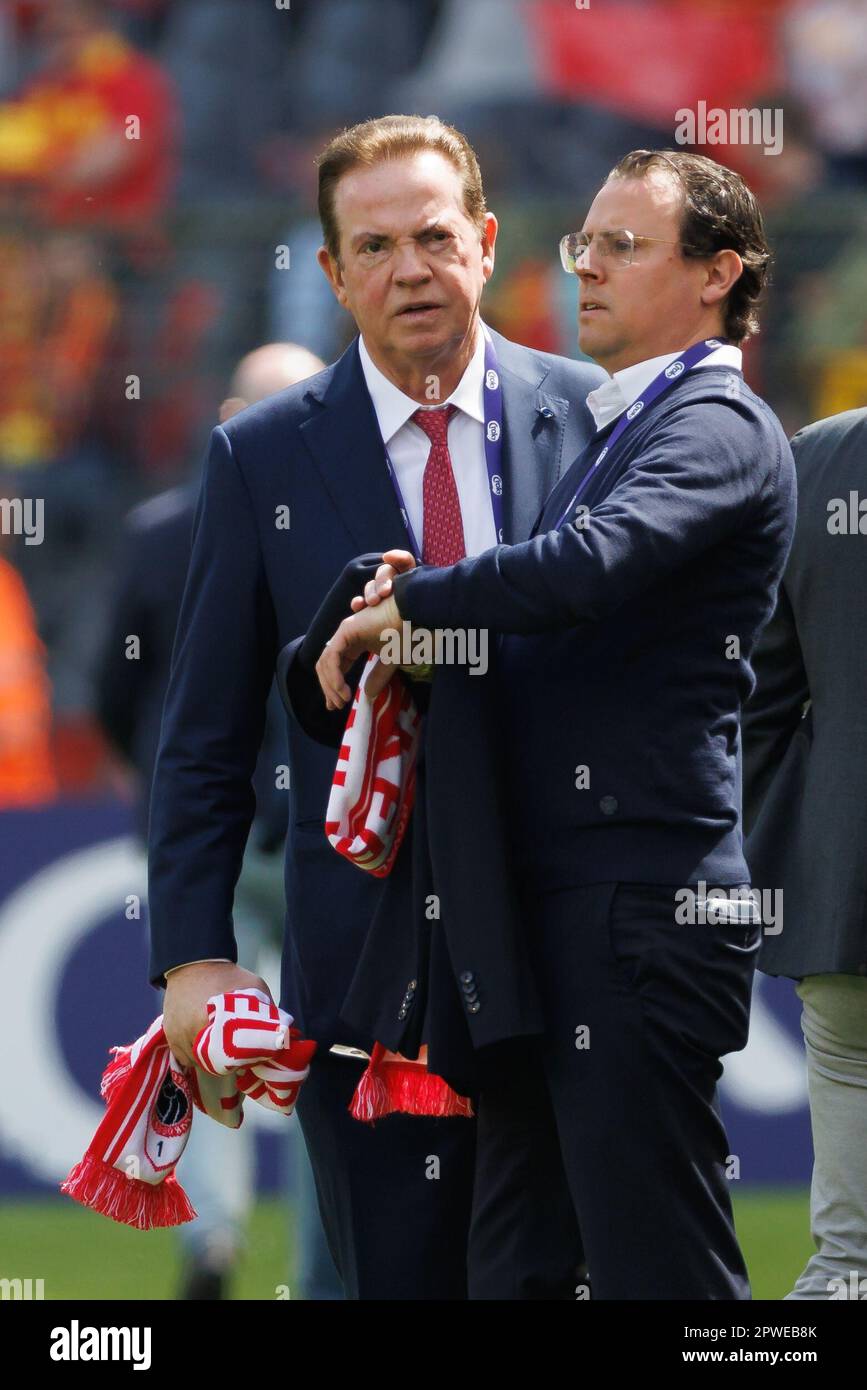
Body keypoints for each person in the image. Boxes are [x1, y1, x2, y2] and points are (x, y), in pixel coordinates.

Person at [317, 149, 797, 1300]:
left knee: (660, 1269)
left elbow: (587, 569)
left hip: (637, 900)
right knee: (518, 1265)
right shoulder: (627, 428)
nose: (587, 266)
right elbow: (552, 610)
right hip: (561, 907)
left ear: (718, 274)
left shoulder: (717, 422)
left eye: (625, 246)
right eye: (585, 242)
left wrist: (419, 602)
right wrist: (414, 632)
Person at [146, 113, 604, 1301]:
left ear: (488, 243)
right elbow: (200, 734)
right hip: (365, 974)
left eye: (436, 235)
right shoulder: (260, 456)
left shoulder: (595, 413)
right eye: (377, 244)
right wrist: (193, 956)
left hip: (574, 956)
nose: (412, 267)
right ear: (335, 271)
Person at [97, 343, 339, 1301]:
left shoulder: (163, 529)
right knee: (331, 1054)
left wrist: (158, 798)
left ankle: (212, 1243)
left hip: (208, 830)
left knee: (200, 1046)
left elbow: (116, 693)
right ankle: (325, 1267)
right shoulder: (339, 521)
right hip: (320, 827)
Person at [742, 407, 867, 1301]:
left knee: (847, 1263)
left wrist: (799, 842)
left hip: (844, 896)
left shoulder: (813, 459)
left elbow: (753, 699)